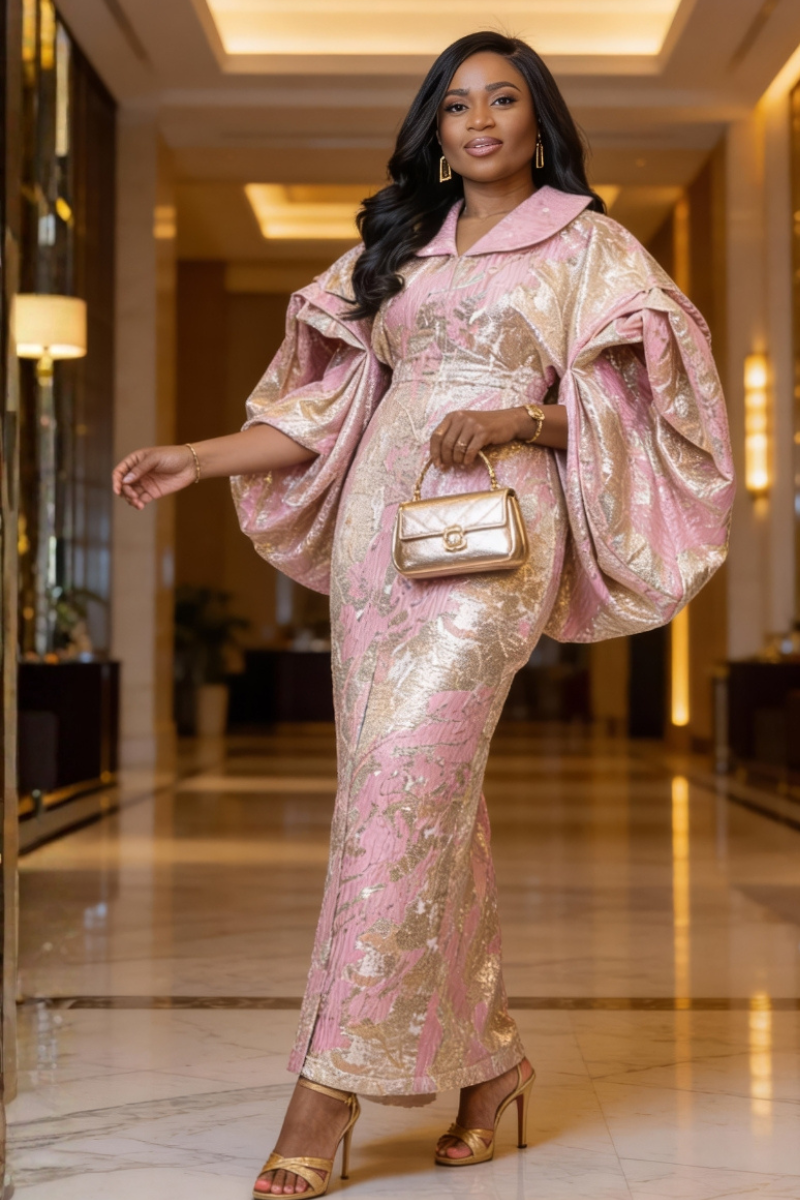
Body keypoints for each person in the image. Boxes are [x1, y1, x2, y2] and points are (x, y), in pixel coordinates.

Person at [113, 31, 734, 1199]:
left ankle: (326, 1086)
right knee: (408, 795)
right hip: (377, 539)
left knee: (404, 780)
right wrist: (194, 456)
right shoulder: (395, 251)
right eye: (456, 106)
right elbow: (323, 412)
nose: (480, 120)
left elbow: (662, 414)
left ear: (537, 120)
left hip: (497, 537)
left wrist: (521, 419)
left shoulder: (589, 248)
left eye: (503, 100)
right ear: (434, 132)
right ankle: (491, 1063)